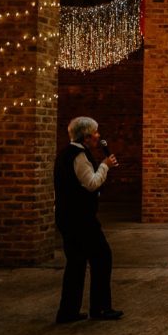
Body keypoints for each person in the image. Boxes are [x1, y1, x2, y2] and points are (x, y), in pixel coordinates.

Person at [53, 116, 123, 323]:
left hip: (67, 216)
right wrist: (105, 165)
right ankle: (100, 308)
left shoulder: (66, 153)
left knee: (76, 263)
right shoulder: (79, 156)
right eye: (96, 133)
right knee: (102, 257)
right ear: (86, 136)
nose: (98, 136)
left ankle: (68, 312)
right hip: (80, 219)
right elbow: (91, 183)